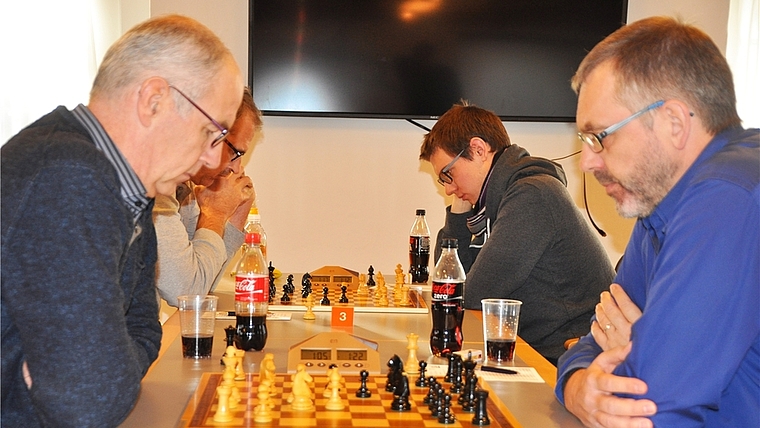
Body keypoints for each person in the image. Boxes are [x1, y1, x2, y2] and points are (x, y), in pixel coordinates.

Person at [1, 15, 243, 427]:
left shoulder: (128, 187)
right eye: (211, 133)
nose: (214, 159)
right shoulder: (68, 177)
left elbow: (145, 328)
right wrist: (96, 371)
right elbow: (90, 403)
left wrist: (111, 362)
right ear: (153, 99)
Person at [555, 16, 759, 427]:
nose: (589, 162)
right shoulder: (659, 207)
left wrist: (638, 352)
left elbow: (650, 409)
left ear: (674, 123)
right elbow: (593, 339)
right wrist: (578, 389)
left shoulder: (729, 194)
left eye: (600, 136)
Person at [419, 101, 615, 364]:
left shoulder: (532, 195)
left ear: (478, 150)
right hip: (533, 346)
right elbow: (450, 283)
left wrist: (462, 200)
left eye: (448, 174)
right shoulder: (503, 197)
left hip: (569, 355)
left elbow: (473, 295)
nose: (448, 188)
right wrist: (460, 209)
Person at [154, 87, 262, 307]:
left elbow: (204, 282)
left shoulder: (184, 188)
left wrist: (237, 211)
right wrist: (215, 214)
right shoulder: (156, 187)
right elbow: (186, 292)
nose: (237, 168)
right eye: (235, 153)